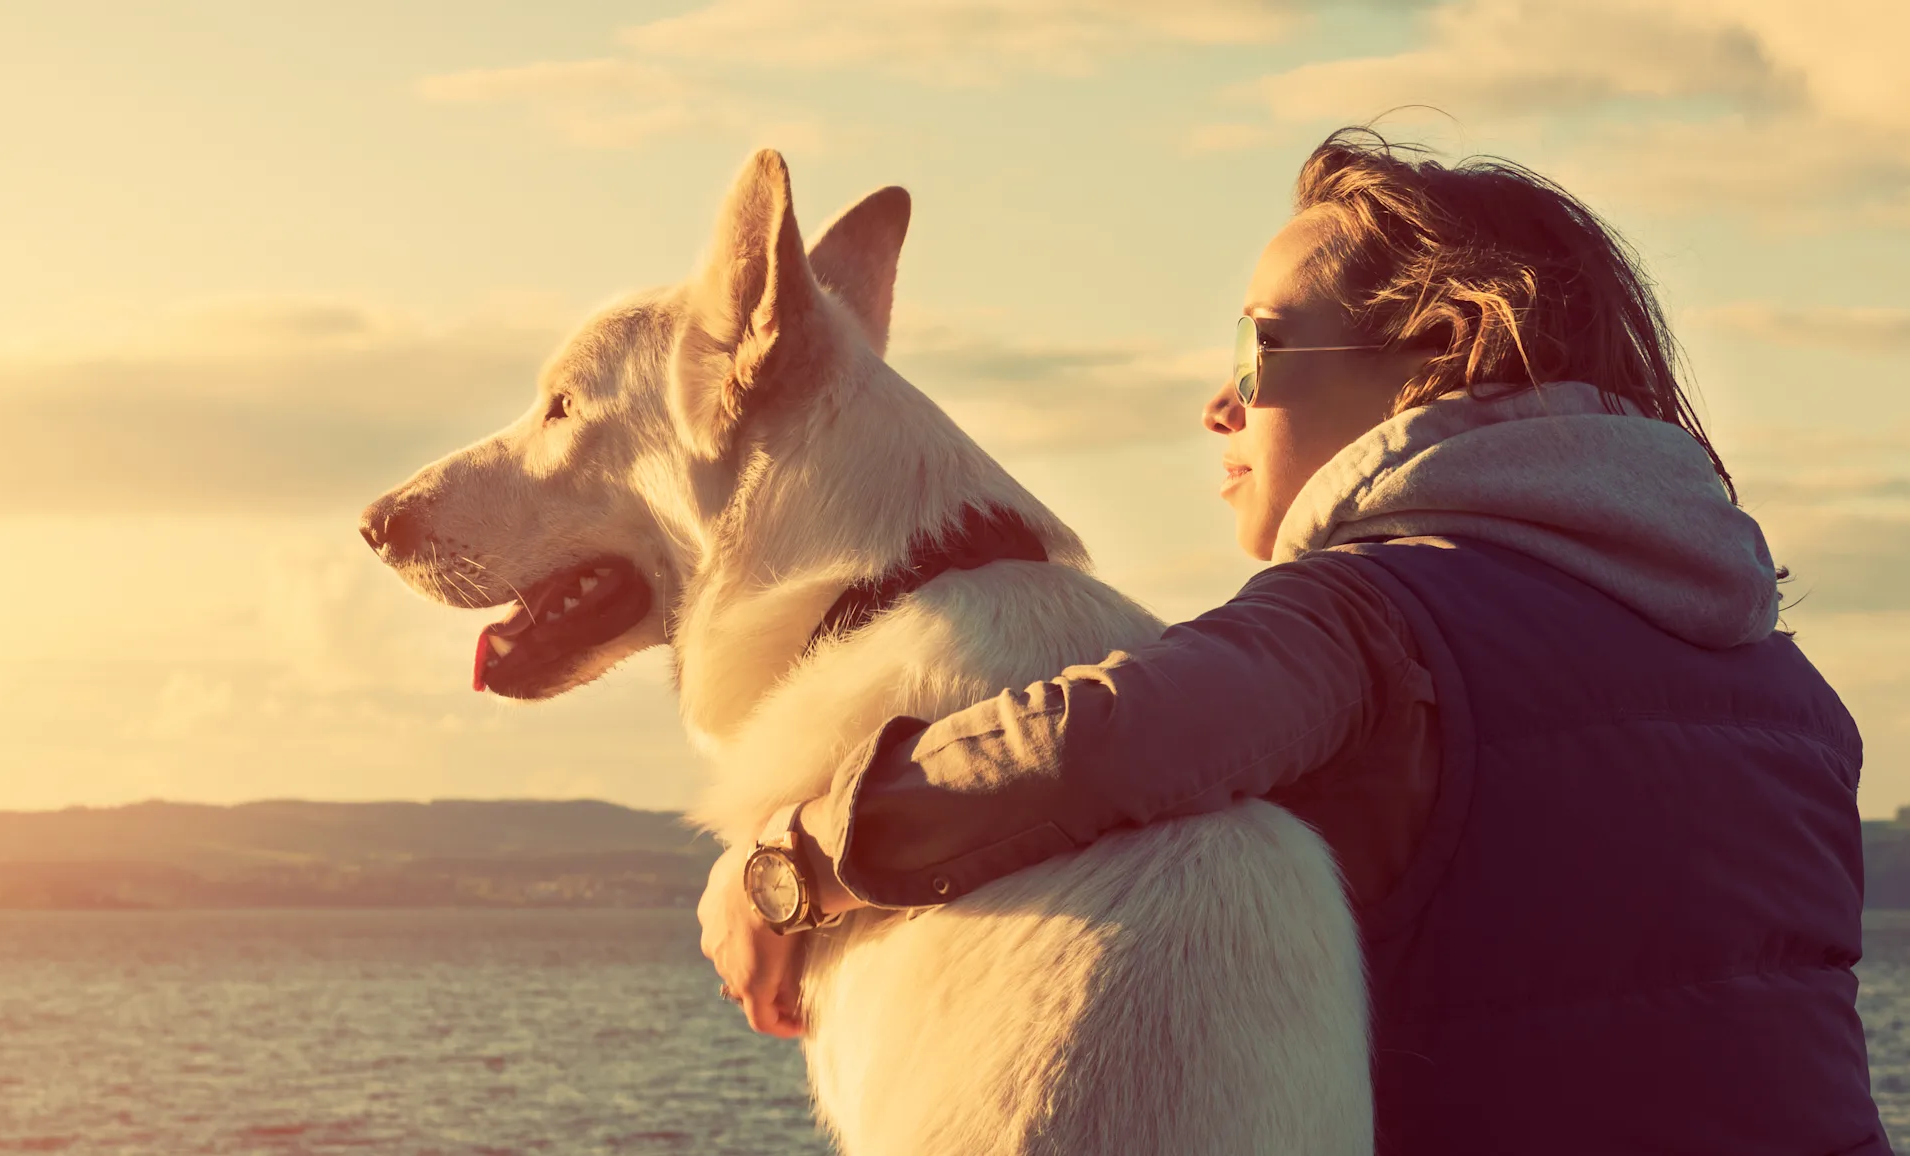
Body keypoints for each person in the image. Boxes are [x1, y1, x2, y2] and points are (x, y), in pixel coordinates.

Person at [698, 128, 1885, 1153]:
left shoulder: (1364, 621)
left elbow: (1094, 740)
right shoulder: (1783, 684)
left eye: (1260, 347)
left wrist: (796, 863)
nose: (1218, 403)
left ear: (1438, 353)